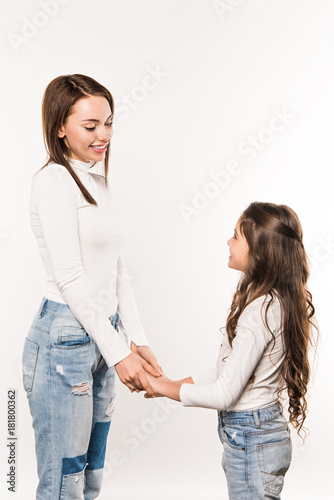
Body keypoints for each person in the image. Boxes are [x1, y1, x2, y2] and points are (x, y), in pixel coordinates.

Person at [21, 74, 163, 500]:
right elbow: (70, 276)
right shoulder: (53, 182)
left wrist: (135, 339)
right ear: (59, 127)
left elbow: (117, 268)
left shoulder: (96, 181)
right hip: (64, 338)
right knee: (63, 483)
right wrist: (118, 351)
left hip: (104, 330)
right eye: (91, 126)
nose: (103, 135)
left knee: (90, 476)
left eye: (109, 123)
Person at [144, 202, 318, 499]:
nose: (228, 241)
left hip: (251, 439)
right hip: (260, 433)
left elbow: (225, 393)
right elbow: (232, 370)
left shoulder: (259, 313)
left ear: (259, 251)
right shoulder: (276, 302)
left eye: (236, 236)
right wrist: (167, 385)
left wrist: (160, 386)